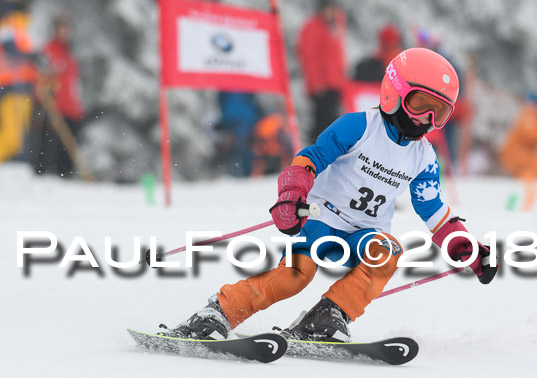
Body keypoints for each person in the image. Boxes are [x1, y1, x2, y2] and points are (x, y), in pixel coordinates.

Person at [164, 48, 498, 343]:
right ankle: (218, 313)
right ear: (393, 93)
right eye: (420, 104)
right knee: (296, 275)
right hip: (320, 221)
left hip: (364, 234)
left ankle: (327, 316)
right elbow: (310, 159)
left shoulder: (423, 157)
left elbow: (434, 211)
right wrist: (291, 195)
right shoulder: (360, 127)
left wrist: (464, 248)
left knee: (388, 252)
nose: (427, 119)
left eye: (438, 113)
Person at [32, 13, 84, 177]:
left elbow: (73, 81)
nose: (64, 32)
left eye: (67, 29)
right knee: (46, 140)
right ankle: (41, 173)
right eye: (61, 28)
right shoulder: (48, 50)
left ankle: (65, 174)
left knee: (69, 143)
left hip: (70, 106)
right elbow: (41, 75)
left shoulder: (70, 52)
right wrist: (44, 95)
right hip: (51, 104)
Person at [297, 0, 345, 142]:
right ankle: (315, 155)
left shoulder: (335, 26)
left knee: (331, 123)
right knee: (321, 124)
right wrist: (316, 82)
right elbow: (309, 56)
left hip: (334, 83)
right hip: (322, 85)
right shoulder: (313, 27)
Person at [0, 0, 37, 163]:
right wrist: (32, 58)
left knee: (19, 139)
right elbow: (11, 52)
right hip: (12, 86)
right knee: (12, 139)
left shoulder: (22, 28)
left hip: (22, 87)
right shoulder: (9, 26)